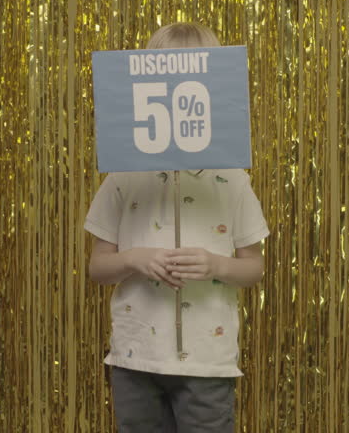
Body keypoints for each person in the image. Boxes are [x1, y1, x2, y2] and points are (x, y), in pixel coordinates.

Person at [85, 22, 269, 432]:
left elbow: (253, 268)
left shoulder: (232, 178)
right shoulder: (121, 177)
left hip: (207, 360)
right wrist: (135, 258)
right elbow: (97, 268)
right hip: (134, 358)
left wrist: (214, 265)